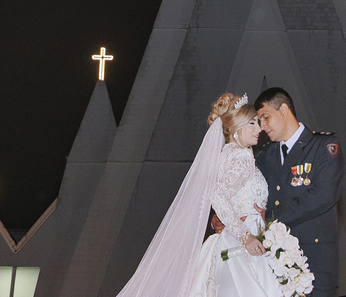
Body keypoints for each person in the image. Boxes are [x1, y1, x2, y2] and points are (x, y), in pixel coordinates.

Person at [115, 93, 282, 297]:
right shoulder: (242, 157)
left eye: (258, 123)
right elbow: (219, 196)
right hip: (244, 238)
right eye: (252, 124)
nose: (259, 129)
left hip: (232, 236)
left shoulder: (228, 153)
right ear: (237, 128)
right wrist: (246, 237)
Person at [251, 88, 343, 297]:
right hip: (272, 266)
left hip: (315, 264)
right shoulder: (264, 156)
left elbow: (324, 196)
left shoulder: (324, 147)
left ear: (284, 110)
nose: (262, 126)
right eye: (259, 121)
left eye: (265, 117)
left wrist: (273, 217)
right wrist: (223, 219)